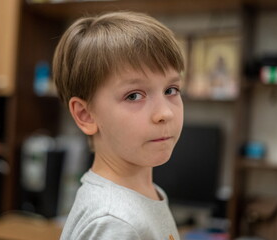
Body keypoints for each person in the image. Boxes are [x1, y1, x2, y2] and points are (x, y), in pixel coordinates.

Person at [53, 11, 185, 240]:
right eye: (134, 96)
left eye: (170, 90)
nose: (165, 113)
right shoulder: (115, 222)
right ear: (86, 115)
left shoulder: (149, 195)